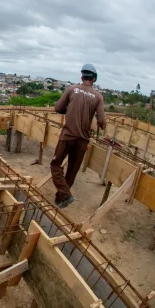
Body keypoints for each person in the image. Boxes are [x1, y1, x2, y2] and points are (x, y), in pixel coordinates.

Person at [51, 63, 106, 208]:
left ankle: (65, 196)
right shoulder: (98, 96)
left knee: (55, 165)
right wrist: (100, 125)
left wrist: (69, 110)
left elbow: (58, 108)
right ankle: (61, 199)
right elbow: (101, 121)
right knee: (72, 170)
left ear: (82, 77)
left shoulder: (71, 89)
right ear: (94, 79)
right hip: (82, 141)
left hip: (67, 136)